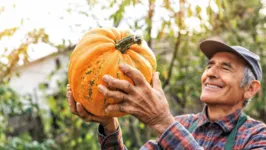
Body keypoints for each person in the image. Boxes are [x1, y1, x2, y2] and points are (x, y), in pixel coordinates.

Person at [66, 40, 266, 149]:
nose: (211, 73)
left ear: (250, 88)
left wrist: (161, 121)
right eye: (209, 65)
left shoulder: (257, 137)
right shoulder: (182, 125)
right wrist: (109, 125)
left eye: (225, 68)